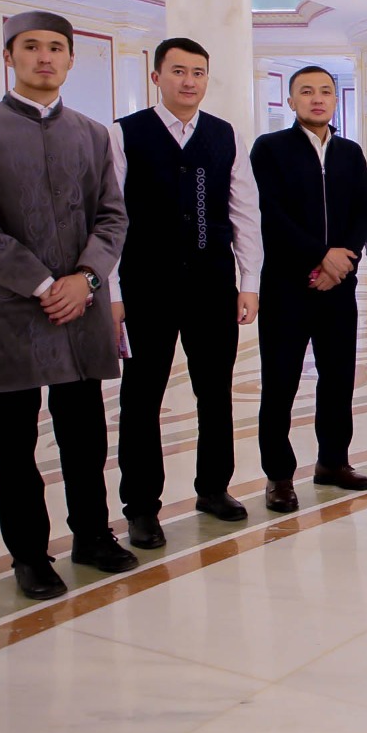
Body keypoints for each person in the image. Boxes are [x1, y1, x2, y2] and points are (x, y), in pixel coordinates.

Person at [0, 10, 135, 599]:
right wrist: (44, 284)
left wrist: (86, 279)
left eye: (56, 47)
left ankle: (93, 536)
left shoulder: (91, 134)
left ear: (71, 59)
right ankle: (29, 554)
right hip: (11, 313)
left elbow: (113, 217)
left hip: (81, 311)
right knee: (13, 444)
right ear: (9, 56)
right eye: (31, 46)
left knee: (85, 438)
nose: (44, 56)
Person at [110, 38, 263, 551]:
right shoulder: (124, 134)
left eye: (198, 72)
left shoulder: (224, 135)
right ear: (157, 77)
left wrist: (249, 282)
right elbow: (110, 218)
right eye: (178, 71)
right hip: (145, 286)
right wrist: (112, 291)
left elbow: (243, 212)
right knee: (141, 396)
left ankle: (214, 488)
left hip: (211, 284)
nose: (189, 81)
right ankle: (141, 507)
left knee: (215, 391)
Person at [250, 65, 367, 512]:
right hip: (287, 286)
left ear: (336, 100)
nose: (317, 98)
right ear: (291, 101)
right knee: (280, 382)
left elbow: (364, 210)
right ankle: (279, 476)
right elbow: (270, 213)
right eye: (306, 91)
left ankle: (333, 461)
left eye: (325, 91)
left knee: (338, 377)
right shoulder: (270, 148)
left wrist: (342, 261)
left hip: (338, 286)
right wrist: (320, 256)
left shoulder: (349, 152)